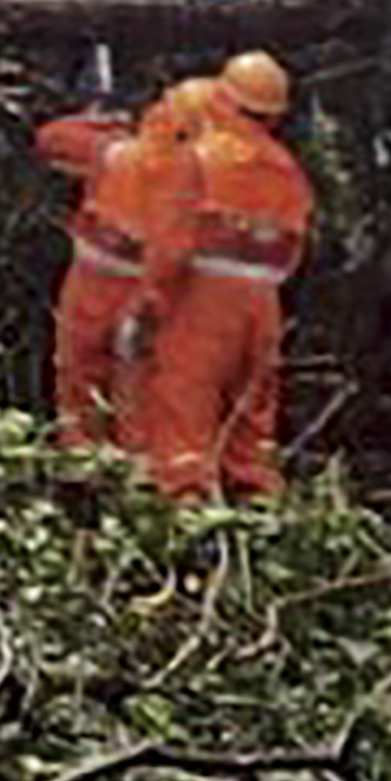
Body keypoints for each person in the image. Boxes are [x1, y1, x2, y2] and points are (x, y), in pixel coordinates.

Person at [132, 48, 314, 499]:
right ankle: (257, 515)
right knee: (250, 421)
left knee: (183, 407)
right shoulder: (288, 170)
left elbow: (173, 244)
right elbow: (291, 250)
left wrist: (150, 301)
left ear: (225, 101)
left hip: (201, 301)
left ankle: (185, 519)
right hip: (262, 305)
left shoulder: (197, 159)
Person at [33, 61, 231, 453]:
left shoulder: (120, 154)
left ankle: (100, 480)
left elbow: (52, 139)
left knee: (92, 389)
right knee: (126, 394)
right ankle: (128, 486)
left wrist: (103, 122)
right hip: (140, 295)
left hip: (113, 293)